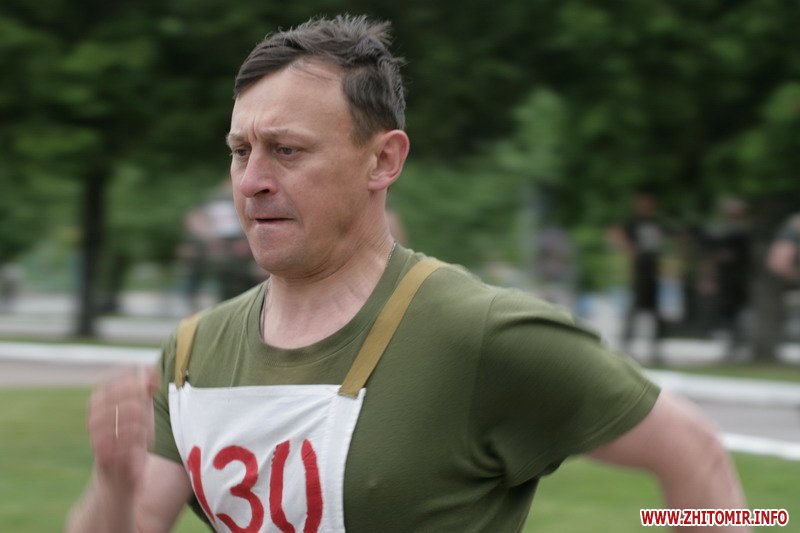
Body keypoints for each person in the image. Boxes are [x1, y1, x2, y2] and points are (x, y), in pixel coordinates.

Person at [66, 15, 747, 532]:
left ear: (383, 160)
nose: (252, 181)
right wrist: (111, 483)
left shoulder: (478, 333)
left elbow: (696, 452)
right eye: (241, 150)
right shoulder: (194, 351)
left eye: (286, 150)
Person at [611, 191, 668, 364]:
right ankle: (625, 347)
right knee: (634, 311)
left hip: (653, 272)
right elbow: (617, 236)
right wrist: (630, 251)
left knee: (655, 313)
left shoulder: (656, 223)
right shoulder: (632, 224)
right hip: (639, 272)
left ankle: (656, 350)